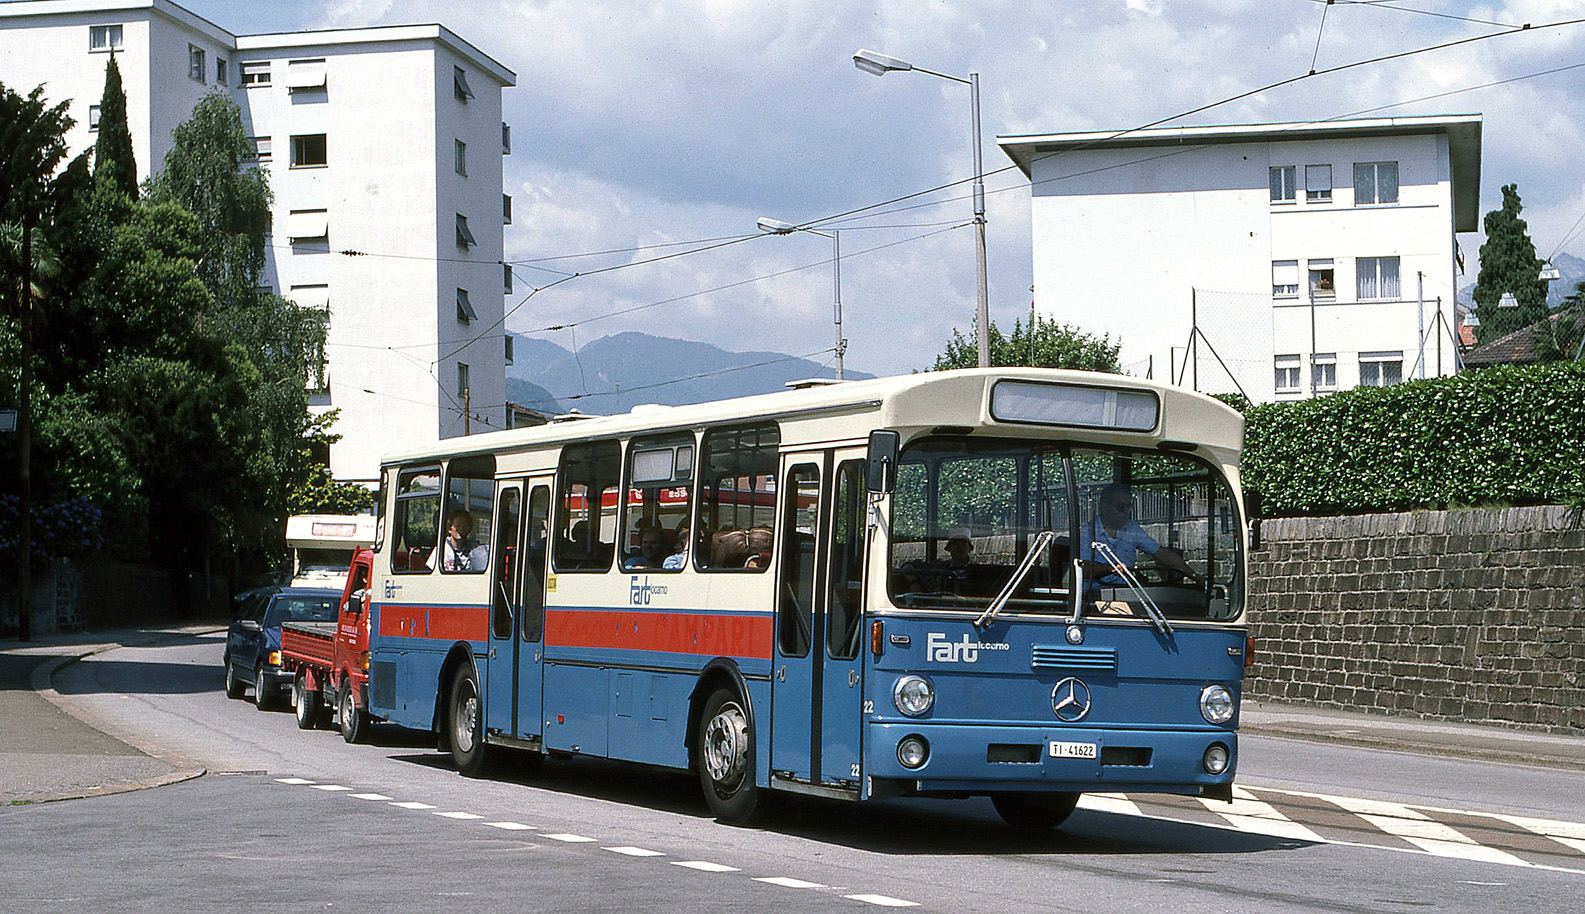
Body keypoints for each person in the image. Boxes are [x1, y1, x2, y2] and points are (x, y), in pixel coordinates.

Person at [1079, 483, 1197, 586]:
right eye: (1120, 507)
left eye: (1128, 506)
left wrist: (1193, 575)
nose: (1126, 511)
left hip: (1128, 591)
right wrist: (1110, 569)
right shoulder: (1087, 533)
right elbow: (1083, 569)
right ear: (1104, 507)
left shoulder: (1131, 528)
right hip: (1095, 596)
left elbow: (1160, 553)